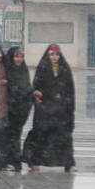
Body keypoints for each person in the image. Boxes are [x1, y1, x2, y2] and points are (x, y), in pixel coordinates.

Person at [23, 44, 77, 173]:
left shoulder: (65, 69)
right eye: (52, 54)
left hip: (61, 110)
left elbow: (70, 89)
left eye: (56, 54)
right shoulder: (43, 68)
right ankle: (35, 161)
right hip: (45, 109)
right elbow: (36, 86)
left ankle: (69, 163)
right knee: (41, 134)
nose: (54, 57)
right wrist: (38, 94)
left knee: (63, 135)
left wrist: (67, 103)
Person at [5, 47, 33, 171]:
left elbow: (27, 90)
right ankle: (11, 161)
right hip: (8, 110)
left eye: (21, 57)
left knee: (15, 136)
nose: (19, 59)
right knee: (9, 137)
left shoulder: (23, 70)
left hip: (20, 111)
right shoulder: (7, 71)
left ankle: (14, 162)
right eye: (16, 57)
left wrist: (25, 107)